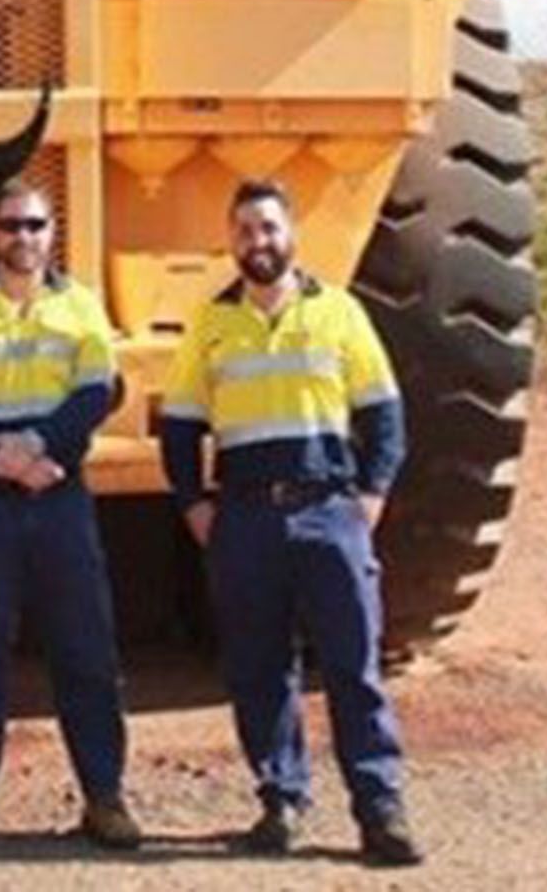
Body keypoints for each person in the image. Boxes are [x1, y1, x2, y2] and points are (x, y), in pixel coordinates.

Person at [159, 178, 421, 866]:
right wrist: (193, 503)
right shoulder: (211, 323)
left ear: (291, 234)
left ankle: (380, 808)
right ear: (231, 240)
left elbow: (384, 416)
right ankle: (280, 798)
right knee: (257, 666)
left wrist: (370, 497)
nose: (258, 242)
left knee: (352, 663)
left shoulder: (339, 313)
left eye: (269, 228)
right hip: (244, 518)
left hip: (328, 510)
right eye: (245, 230)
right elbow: (181, 423)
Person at [0, 178, 142, 850]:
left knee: (87, 651)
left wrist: (40, 449)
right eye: (11, 225)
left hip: (59, 494)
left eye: (35, 225)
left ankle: (105, 798)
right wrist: (2, 461)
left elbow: (95, 393)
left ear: (52, 232)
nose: (23, 238)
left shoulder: (81, 308)